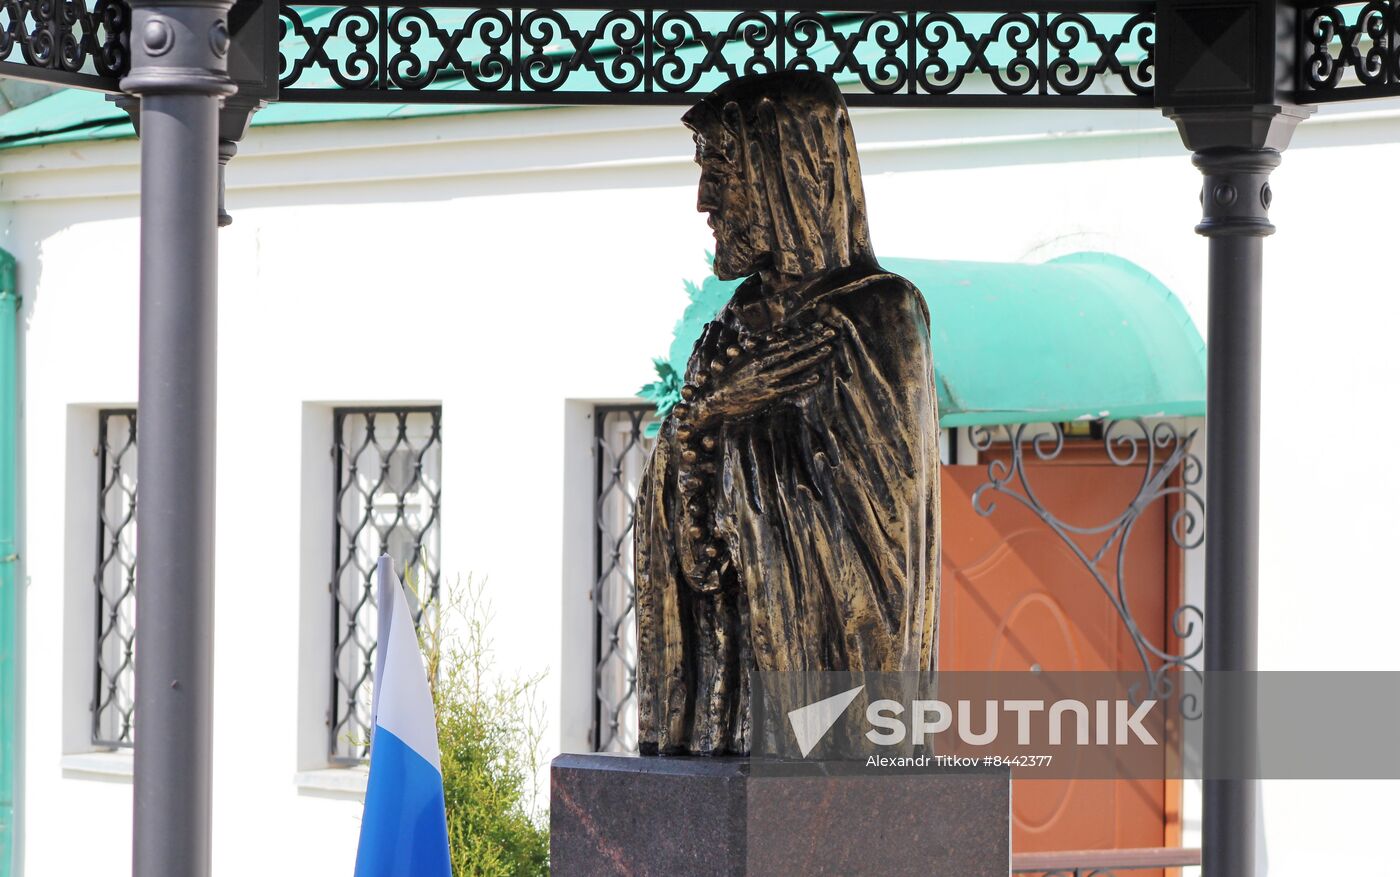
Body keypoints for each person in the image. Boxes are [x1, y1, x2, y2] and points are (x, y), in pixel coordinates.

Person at [635, 71, 940, 755]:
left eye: (722, 170)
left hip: (832, 720)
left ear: (787, 170)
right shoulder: (731, 326)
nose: (704, 201)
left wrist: (732, 433)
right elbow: (691, 518)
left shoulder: (878, 316)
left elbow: (884, 544)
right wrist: (706, 417)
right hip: (733, 707)